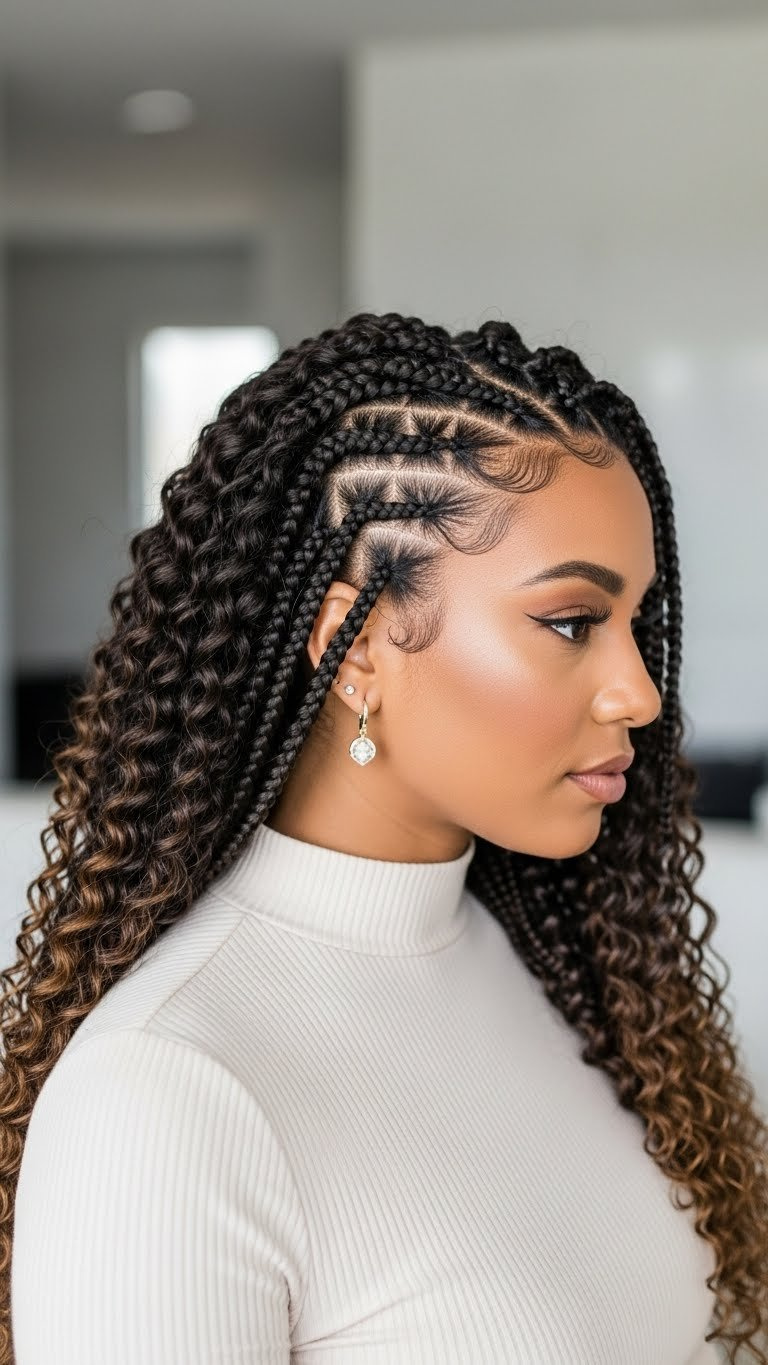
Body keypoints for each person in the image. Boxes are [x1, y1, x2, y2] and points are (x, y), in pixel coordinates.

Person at [2, 311, 766, 1363]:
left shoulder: (565, 969)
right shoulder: (166, 1099)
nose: (638, 691)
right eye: (572, 623)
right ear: (355, 644)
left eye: (639, 622)